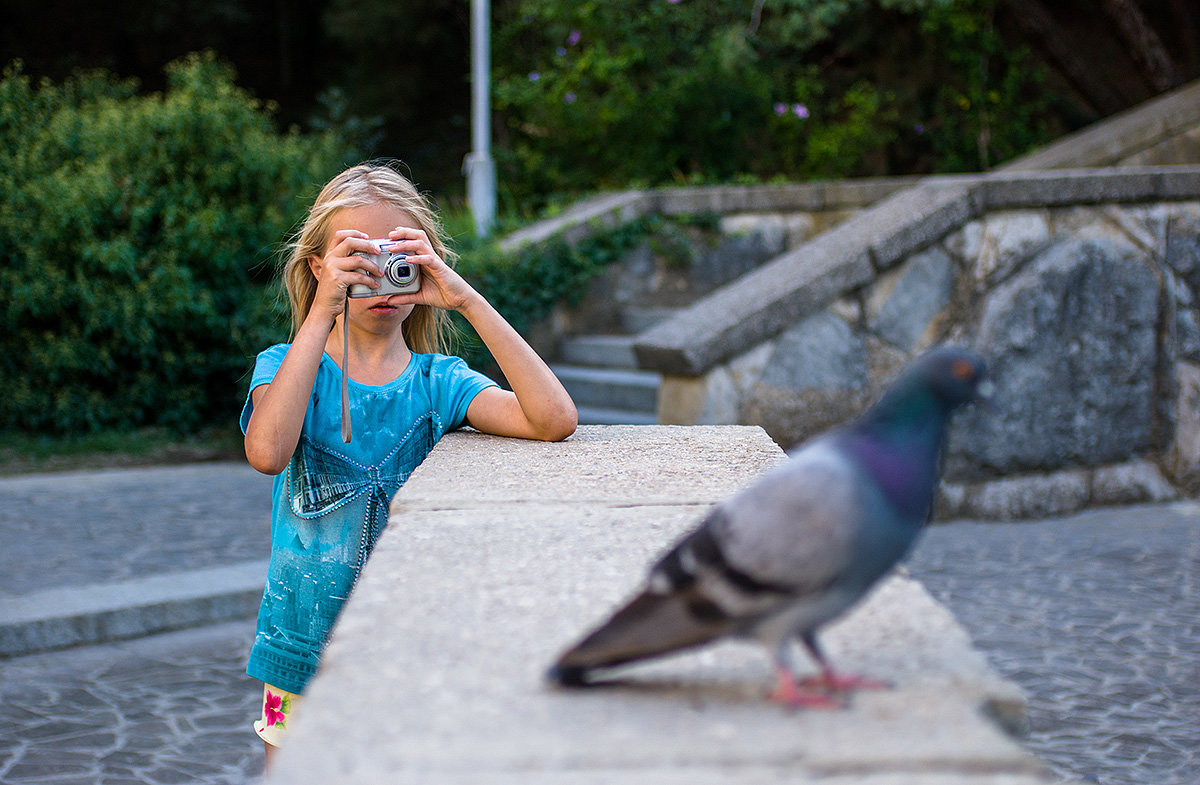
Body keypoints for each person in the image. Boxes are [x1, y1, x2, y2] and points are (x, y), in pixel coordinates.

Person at [240, 163, 577, 764]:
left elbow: (552, 419)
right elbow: (267, 452)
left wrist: (464, 297)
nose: (379, 279)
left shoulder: (436, 382)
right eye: (358, 259)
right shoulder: (288, 368)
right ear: (319, 266)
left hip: (409, 640)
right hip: (302, 641)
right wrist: (322, 314)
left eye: (396, 259)